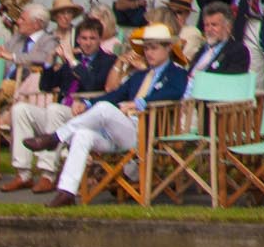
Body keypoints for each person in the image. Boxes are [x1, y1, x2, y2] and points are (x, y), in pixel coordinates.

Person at [24, 22, 186, 206]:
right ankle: (66, 192)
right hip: (121, 130)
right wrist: (86, 103)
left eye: (154, 48)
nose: (148, 53)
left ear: (168, 48)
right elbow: (115, 94)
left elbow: (174, 92)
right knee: (82, 135)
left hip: (146, 132)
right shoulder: (139, 75)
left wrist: (139, 102)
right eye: (146, 48)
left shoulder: (176, 73)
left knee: (104, 109)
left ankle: (56, 138)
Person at [3, 16, 112, 193]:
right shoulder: (72, 58)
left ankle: (48, 174)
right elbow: (46, 86)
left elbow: (93, 84)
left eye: (92, 38)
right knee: (20, 110)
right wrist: (48, 62)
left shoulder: (107, 61)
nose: (88, 43)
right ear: (77, 39)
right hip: (60, 114)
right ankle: (23, 174)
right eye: (84, 38)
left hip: (84, 116)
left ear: (100, 39)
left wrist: (73, 61)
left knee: (54, 109)